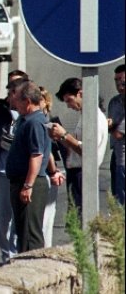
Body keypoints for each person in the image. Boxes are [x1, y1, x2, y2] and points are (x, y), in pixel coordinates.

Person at [6, 80, 58, 252]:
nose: (13, 102)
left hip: (30, 183)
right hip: (22, 181)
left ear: (27, 102)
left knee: (30, 235)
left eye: (17, 99)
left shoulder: (35, 122)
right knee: (23, 232)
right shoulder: (26, 120)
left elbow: (36, 155)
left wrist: (28, 186)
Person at [0, 70, 27, 263]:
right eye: (9, 88)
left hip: (22, 174)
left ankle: (15, 256)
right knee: (2, 220)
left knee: (19, 219)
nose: (11, 93)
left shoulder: (31, 112)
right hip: (0, 173)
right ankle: (5, 254)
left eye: (15, 88)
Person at [48, 78, 108, 215]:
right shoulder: (86, 116)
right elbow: (76, 146)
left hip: (84, 173)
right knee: (75, 218)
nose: (69, 105)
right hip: (76, 173)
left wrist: (64, 135)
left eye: (70, 100)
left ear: (80, 94)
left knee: (82, 217)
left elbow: (88, 150)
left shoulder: (94, 117)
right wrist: (59, 137)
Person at [39, 86, 66, 248]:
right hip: (44, 172)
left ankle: (45, 248)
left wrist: (54, 171)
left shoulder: (48, 122)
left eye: (41, 99)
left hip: (48, 172)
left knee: (46, 218)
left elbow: (48, 150)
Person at [107, 64, 125, 205]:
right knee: (116, 197)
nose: (119, 84)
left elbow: (119, 133)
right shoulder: (114, 102)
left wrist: (108, 126)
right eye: (116, 80)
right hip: (116, 153)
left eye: (121, 79)